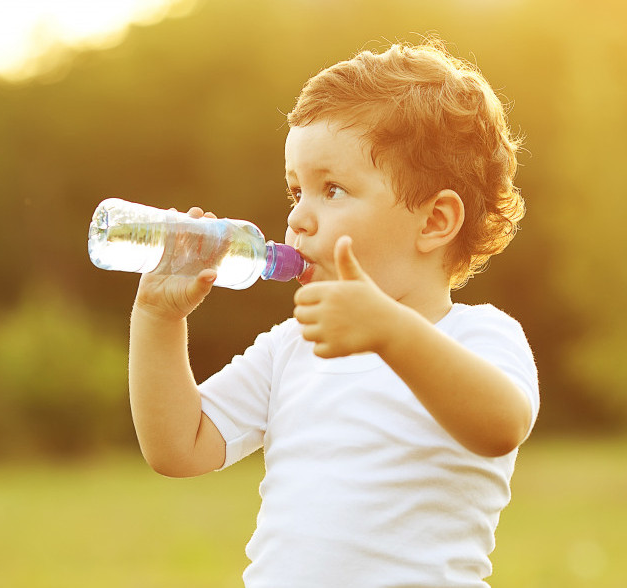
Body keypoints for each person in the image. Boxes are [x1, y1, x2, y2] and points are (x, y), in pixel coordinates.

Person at [127, 40, 539, 587]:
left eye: (333, 189)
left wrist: (389, 331)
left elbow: (501, 426)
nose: (298, 217)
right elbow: (180, 447)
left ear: (435, 221)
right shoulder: (292, 346)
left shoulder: (479, 334)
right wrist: (158, 319)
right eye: (296, 190)